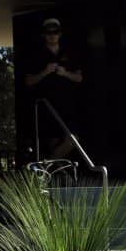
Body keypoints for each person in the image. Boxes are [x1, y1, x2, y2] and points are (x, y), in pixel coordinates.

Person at [24, 17, 83, 158]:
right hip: (47, 106)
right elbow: (29, 81)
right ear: (44, 35)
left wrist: (65, 73)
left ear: (60, 34)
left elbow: (79, 77)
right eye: (49, 32)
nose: (52, 35)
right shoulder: (36, 55)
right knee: (53, 143)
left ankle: (46, 167)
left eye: (55, 32)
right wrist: (45, 72)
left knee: (72, 140)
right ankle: (53, 173)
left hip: (68, 105)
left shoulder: (69, 53)